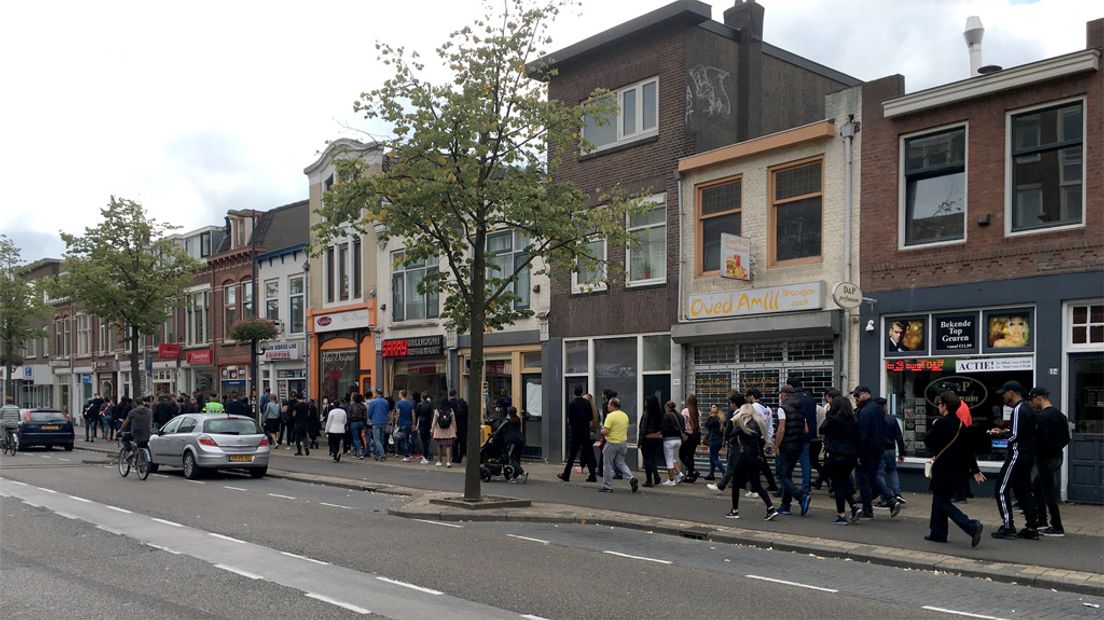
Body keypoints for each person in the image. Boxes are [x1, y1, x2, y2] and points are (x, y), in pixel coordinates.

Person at [926, 391, 985, 547]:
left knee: (942, 502)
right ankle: (937, 533)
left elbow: (929, 443)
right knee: (939, 500)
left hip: (943, 468)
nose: (938, 406)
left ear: (944, 406)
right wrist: (975, 470)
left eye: (939, 404)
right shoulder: (960, 424)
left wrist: (932, 428)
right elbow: (968, 450)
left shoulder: (940, 423)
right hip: (957, 470)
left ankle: (971, 526)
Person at [710, 404, 779, 521]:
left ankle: (734, 510)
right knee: (757, 485)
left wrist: (733, 421)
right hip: (755, 457)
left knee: (736, 484)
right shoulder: (758, 424)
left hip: (743, 457)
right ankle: (771, 508)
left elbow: (729, 435)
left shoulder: (742, 424)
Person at [989, 381, 1040, 540]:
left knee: (1001, 489)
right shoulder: (1029, 409)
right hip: (1028, 455)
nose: (1003, 397)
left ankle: (1007, 526)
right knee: (1023, 490)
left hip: (1017, 454)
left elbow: (1015, 435)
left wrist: (998, 434)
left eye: (1004, 393)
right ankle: (1032, 527)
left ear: (1012, 392)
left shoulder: (1018, 409)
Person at [853, 386, 901, 519]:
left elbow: (862, 434)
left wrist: (858, 453)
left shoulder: (865, 412)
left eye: (858, 395)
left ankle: (868, 509)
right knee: (873, 477)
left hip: (867, 450)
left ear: (866, 394)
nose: (855, 399)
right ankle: (891, 501)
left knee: (864, 479)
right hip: (879, 449)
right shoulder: (877, 409)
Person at [1029, 386, 1069, 537]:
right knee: (1038, 486)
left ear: (1038, 398)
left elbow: (1040, 440)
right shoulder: (1060, 415)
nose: (1032, 404)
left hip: (1045, 458)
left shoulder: (1043, 417)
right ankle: (1042, 521)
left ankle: (1057, 526)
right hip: (1057, 456)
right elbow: (1066, 438)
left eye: (1032, 400)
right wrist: (1056, 448)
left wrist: (1037, 451)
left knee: (1048, 492)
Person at [819, 390, 863, 525]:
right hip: (850, 456)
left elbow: (822, 430)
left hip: (835, 454)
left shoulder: (832, 419)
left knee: (837, 484)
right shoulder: (854, 420)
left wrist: (829, 415)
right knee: (843, 481)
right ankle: (854, 507)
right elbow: (858, 438)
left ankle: (841, 514)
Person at [773, 385, 811, 516]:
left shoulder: (782, 409)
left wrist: (776, 445)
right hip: (798, 446)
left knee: (781, 474)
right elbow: (806, 429)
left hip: (786, 446)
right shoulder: (800, 409)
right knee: (787, 474)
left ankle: (801, 497)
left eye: (780, 394)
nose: (780, 397)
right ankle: (785, 506)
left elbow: (781, 429)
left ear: (785, 394)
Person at [599, 398, 638, 494]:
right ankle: (631, 478)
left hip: (612, 443)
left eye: (609, 404)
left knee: (607, 465)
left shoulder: (610, 416)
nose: (607, 406)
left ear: (613, 406)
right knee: (621, 463)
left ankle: (607, 486)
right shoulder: (624, 415)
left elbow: (606, 431)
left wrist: (600, 431)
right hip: (623, 443)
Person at [559, 384, 597, 482]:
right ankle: (592, 475)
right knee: (588, 453)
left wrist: (572, 425)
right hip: (585, 431)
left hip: (576, 431)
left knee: (572, 454)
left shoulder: (572, 404)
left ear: (574, 392)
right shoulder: (587, 403)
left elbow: (569, 420)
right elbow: (591, 417)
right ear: (582, 392)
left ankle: (566, 474)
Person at [875, 396, 906, 507]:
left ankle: (884, 498)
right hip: (891, 449)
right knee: (892, 470)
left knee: (880, 474)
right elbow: (899, 436)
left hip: (879, 449)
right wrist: (902, 452)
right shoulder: (891, 419)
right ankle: (897, 493)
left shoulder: (875, 419)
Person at [745, 389, 778, 492]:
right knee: (761, 462)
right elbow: (769, 426)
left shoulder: (753, 407)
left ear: (751, 396)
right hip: (763, 438)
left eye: (748, 397)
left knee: (756, 462)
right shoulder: (767, 408)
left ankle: (755, 486)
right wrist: (768, 439)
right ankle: (769, 484)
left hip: (755, 438)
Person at [492, 406, 527, 483]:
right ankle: (514, 476)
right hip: (520, 440)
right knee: (517, 458)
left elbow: (499, 430)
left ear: (508, 413)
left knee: (511, 458)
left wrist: (493, 435)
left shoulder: (507, 421)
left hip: (512, 441)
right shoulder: (518, 420)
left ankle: (522, 472)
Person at [637, 394, 663, 487]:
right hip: (656, 439)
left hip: (647, 439)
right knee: (652, 458)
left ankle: (649, 480)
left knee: (647, 459)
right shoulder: (659, 414)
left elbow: (643, 428)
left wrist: (640, 441)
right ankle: (656, 475)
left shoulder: (647, 413)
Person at [660, 399, 685, 486]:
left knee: (669, 460)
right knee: (673, 458)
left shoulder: (667, 416)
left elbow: (663, 428)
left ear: (667, 407)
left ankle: (671, 480)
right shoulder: (680, 416)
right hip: (678, 440)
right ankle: (679, 474)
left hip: (669, 440)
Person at [679, 395, 702, 483]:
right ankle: (690, 475)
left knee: (682, 455)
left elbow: (682, 424)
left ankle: (693, 470)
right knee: (690, 455)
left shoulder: (685, 411)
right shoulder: (698, 412)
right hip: (696, 436)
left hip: (688, 435)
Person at [703, 404, 726, 480]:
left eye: (714, 407)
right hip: (719, 440)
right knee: (712, 457)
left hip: (714, 440)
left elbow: (706, 425)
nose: (711, 408)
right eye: (712, 407)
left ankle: (725, 473)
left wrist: (710, 416)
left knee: (714, 458)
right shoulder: (721, 418)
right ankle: (711, 474)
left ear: (717, 409)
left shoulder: (715, 419)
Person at [431, 399, 456, 467]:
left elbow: (434, 421)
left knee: (439, 446)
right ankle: (448, 462)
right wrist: (455, 430)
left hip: (439, 430)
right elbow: (453, 421)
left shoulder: (437, 410)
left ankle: (439, 461)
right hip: (449, 430)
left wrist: (432, 429)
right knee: (448, 446)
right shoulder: (451, 410)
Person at [448, 390, 469, 464]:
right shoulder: (466, 411)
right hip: (464, 428)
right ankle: (461, 456)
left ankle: (455, 458)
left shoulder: (455, 411)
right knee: (463, 443)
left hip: (455, 427)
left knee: (455, 443)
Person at [368, 389, 390, 461]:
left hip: (375, 421)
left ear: (376, 393)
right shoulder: (386, 402)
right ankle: (377, 455)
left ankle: (382, 454)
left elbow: (369, 413)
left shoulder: (373, 402)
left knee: (376, 439)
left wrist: (371, 418)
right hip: (384, 421)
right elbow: (387, 411)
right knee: (381, 439)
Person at [395, 391, 416, 461]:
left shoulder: (399, 403)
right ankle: (408, 454)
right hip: (409, 423)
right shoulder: (410, 404)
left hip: (402, 423)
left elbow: (398, 413)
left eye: (399, 394)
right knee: (407, 439)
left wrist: (396, 422)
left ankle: (406, 456)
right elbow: (413, 414)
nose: (398, 395)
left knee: (403, 440)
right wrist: (413, 424)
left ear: (401, 395)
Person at [325, 398, 348, 463]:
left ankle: (335, 453)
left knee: (331, 443)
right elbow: (345, 421)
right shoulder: (343, 412)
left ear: (334, 405)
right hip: (341, 430)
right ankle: (336, 456)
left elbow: (329, 422)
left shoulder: (332, 412)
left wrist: (326, 430)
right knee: (337, 443)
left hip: (332, 429)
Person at [347, 393, 369, 460]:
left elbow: (349, 415)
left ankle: (359, 452)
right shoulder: (363, 406)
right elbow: (365, 416)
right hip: (361, 422)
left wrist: (348, 423)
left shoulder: (352, 406)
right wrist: (365, 424)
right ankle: (357, 452)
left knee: (356, 438)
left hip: (354, 423)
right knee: (359, 437)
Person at [415, 392, 435, 464]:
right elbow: (432, 414)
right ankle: (427, 455)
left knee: (423, 441)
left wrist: (415, 424)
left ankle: (425, 456)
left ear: (421, 397)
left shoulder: (419, 405)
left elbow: (417, 414)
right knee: (427, 440)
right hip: (428, 424)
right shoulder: (430, 405)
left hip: (422, 424)